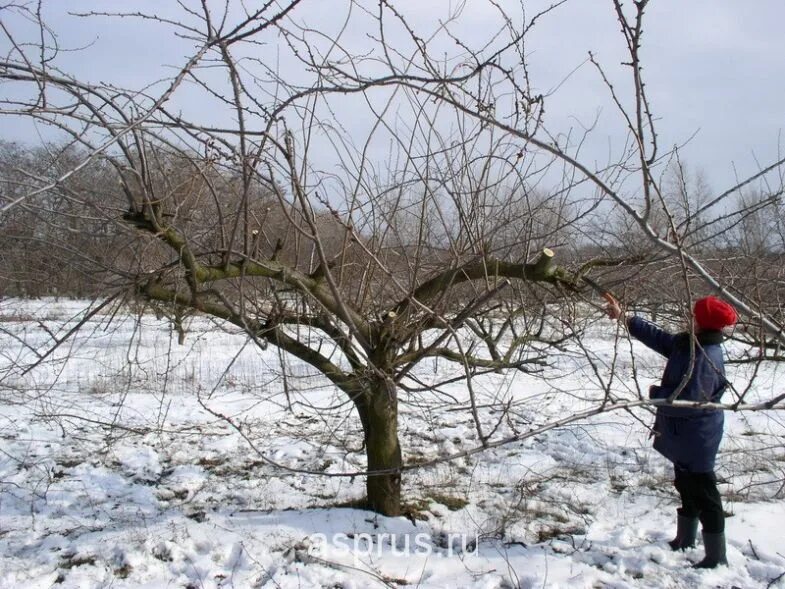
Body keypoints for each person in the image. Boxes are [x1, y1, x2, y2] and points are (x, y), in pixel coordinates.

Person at [604, 293, 737, 569]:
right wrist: (625, 318)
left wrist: (656, 394)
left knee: (706, 494)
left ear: (702, 321)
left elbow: (686, 403)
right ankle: (684, 539)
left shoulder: (705, 358)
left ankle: (716, 556)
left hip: (698, 437)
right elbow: (661, 339)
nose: (689, 315)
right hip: (685, 436)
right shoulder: (691, 345)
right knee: (685, 485)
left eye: (694, 313)